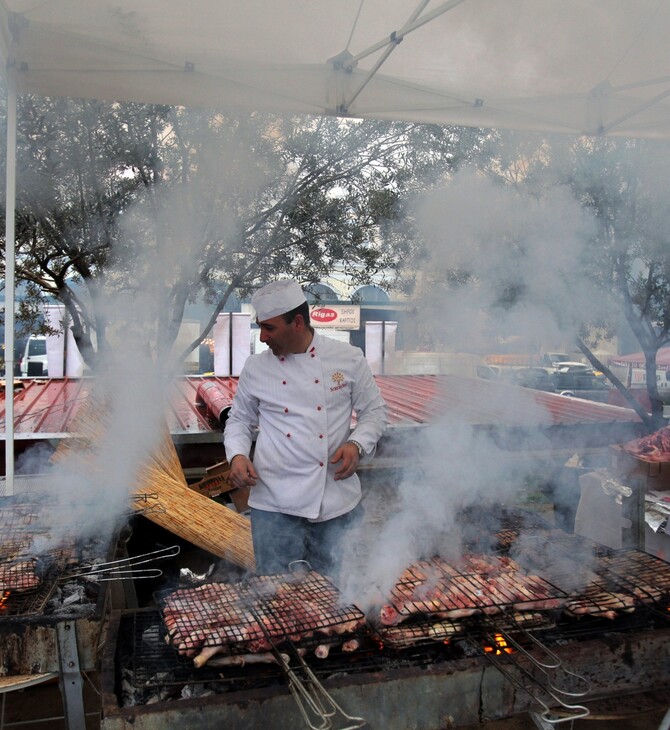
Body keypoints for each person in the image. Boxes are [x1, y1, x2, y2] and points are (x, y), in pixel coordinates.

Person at [224, 279, 388, 579]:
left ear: (297, 322)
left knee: (337, 594)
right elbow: (239, 420)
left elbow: (374, 412)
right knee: (277, 598)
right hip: (273, 505)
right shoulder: (255, 367)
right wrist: (236, 455)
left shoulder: (348, 359)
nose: (262, 338)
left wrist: (357, 444)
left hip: (335, 503)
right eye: (260, 327)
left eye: (269, 328)